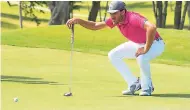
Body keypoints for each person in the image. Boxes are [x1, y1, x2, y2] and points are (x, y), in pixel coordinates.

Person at [66, 1, 165, 96]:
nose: (112, 16)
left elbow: (151, 27)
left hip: (156, 44)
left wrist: (145, 49)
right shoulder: (116, 20)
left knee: (142, 57)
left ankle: (147, 87)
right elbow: (95, 26)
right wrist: (78, 21)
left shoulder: (133, 18)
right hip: (138, 44)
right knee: (113, 55)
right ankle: (134, 83)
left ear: (122, 12)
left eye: (114, 13)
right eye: (110, 13)